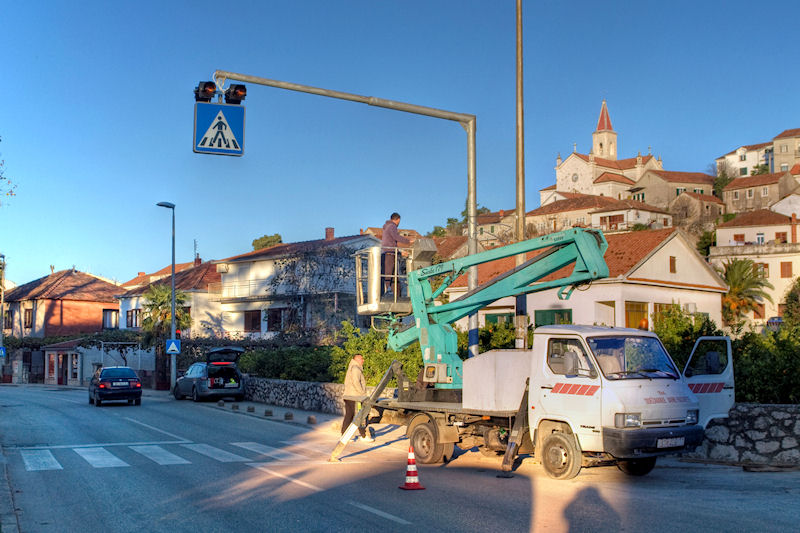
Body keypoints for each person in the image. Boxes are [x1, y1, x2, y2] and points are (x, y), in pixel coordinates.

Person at [341, 354, 373, 442]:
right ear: (357, 359)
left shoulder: (352, 367)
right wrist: (362, 394)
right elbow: (356, 382)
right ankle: (363, 436)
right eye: (361, 359)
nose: (363, 360)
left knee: (349, 416)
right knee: (360, 416)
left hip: (349, 396)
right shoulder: (356, 368)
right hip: (355, 397)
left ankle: (344, 436)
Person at [381, 212, 410, 296]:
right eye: (399, 221)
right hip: (389, 255)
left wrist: (400, 253)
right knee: (388, 276)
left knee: (394, 278)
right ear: (397, 219)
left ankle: (397, 296)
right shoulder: (392, 226)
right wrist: (408, 241)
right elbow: (396, 237)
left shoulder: (387, 227)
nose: (399, 223)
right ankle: (383, 294)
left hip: (389, 253)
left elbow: (392, 244)